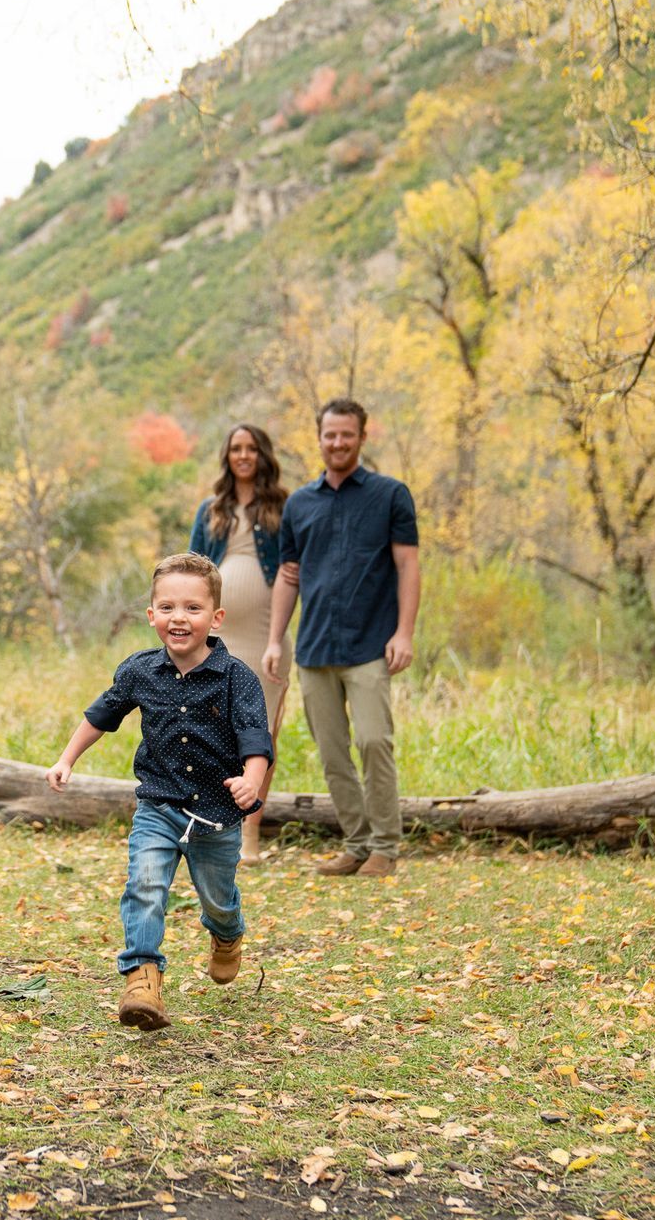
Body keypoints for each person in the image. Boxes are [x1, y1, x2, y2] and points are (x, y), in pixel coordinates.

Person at [46, 553, 273, 1031]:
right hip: (160, 805)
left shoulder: (237, 679)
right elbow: (100, 716)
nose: (179, 618)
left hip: (217, 815)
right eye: (167, 607)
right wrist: (66, 759)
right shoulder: (139, 671)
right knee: (145, 884)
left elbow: (256, 737)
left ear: (216, 618)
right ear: (151, 615)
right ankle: (142, 979)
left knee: (217, 898)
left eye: (193, 608)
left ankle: (227, 935)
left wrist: (251, 780)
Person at [262, 400, 419, 878]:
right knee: (333, 754)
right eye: (330, 435)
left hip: (370, 644)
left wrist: (404, 633)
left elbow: (408, 565)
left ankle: (385, 849)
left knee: (374, 743)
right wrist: (275, 640)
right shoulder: (300, 504)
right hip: (313, 649)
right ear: (319, 438)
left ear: (362, 437)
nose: (337, 443)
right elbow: (288, 576)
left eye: (346, 435)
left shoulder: (390, 495)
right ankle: (355, 844)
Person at [187, 424, 289, 865]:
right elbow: (191, 570)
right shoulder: (211, 509)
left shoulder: (283, 508)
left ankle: (250, 837)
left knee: (260, 735)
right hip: (219, 635)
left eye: (251, 449)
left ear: (262, 455)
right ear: (227, 456)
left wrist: (275, 639)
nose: (243, 455)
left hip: (266, 635)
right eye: (236, 449)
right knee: (213, 731)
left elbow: (291, 570)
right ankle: (210, 827)